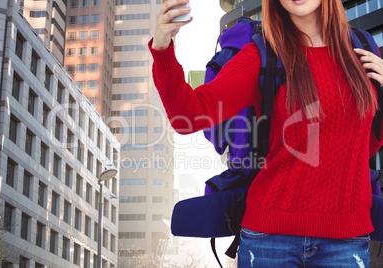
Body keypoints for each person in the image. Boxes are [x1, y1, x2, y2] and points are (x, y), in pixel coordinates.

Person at [149, 0, 383, 267]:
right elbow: (189, 116)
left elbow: (368, 143)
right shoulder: (261, 54)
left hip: (347, 240)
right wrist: (162, 48)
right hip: (269, 240)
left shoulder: (362, 49)